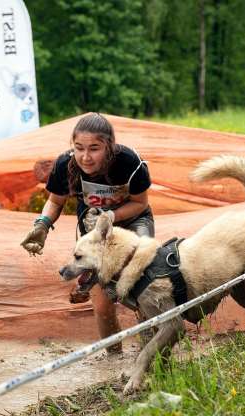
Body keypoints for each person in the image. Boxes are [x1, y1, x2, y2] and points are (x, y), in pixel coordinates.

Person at [21, 112, 154, 353]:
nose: (85, 157)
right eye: (79, 148)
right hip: (92, 227)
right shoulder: (65, 165)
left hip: (133, 221)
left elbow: (140, 203)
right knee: (102, 301)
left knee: (143, 290)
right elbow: (55, 201)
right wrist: (42, 224)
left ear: (109, 146)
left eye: (94, 148)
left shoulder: (129, 162)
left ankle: (151, 354)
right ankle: (113, 360)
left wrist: (112, 215)